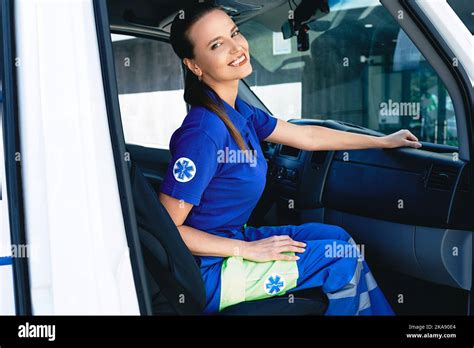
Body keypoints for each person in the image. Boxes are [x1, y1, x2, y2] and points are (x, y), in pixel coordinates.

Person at [159, 2, 421, 315]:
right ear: (194, 65)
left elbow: (307, 137)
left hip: (229, 240)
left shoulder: (237, 113)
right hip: (210, 273)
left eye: (234, 33)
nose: (236, 47)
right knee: (341, 258)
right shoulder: (204, 132)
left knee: (336, 238)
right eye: (217, 45)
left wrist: (380, 141)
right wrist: (247, 249)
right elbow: (168, 228)